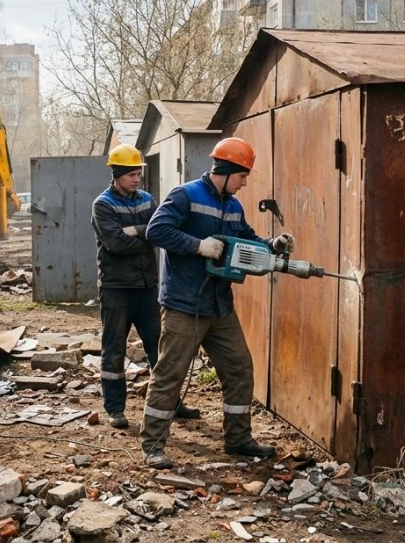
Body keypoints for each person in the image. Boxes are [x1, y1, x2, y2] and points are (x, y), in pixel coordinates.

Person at [139, 137, 296, 468]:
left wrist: (272, 244)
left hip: (219, 305)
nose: (245, 183)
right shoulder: (186, 195)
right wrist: (198, 246)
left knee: (239, 368)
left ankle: (238, 439)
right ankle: (153, 444)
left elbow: (246, 239)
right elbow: (156, 230)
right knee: (170, 373)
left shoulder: (233, 206)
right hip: (183, 303)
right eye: (242, 176)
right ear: (225, 171)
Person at [91, 145, 200, 429]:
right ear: (116, 174)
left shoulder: (148, 199)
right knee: (114, 349)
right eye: (131, 174)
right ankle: (115, 409)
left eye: (138, 173)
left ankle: (171, 404)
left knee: (159, 348)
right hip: (116, 289)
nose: (136, 179)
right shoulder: (102, 205)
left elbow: (159, 232)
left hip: (147, 286)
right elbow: (115, 243)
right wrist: (144, 235)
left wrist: (137, 231)